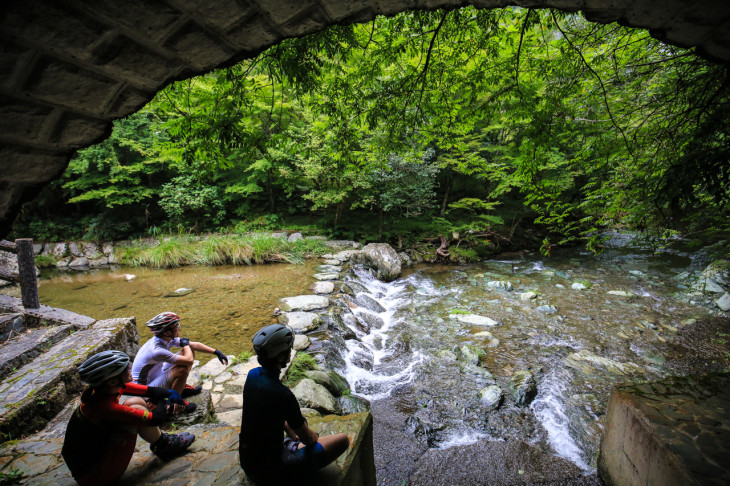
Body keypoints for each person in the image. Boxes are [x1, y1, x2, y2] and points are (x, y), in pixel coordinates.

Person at [61, 350, 195, 486]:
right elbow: (157, 419)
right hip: (95, 477)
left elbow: (148, 390)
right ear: (113, 381)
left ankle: (161, 443)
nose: (130, 368)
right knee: (136, 411)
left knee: (134, 401)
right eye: (126, 369)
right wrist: (162, 401)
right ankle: (164, 445)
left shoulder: (102, 390)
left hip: (91, 461)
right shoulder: (104, 406)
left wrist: (169, 392)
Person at [239, 324, 350, 485]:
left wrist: (292, 433)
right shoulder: (283, 394)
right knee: (342, 439)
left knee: (294, 439)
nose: (290, 352)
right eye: (288, 350)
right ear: (279, 357)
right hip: (273, 471)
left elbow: (270, 414)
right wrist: (311, 435)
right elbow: (309, 439)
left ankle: (291, 446)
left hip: (248, 462)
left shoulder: (252, 375)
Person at [132, 312, 229, 413]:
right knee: (181, 369)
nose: (179, 327)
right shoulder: (157, 351)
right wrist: (186, 345)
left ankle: (180, 387)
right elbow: (189, 360)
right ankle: (175, 403)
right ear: (168, 332)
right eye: (176, 326)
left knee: (188, 351)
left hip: (154, 375)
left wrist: (216, 352)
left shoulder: (164, 338)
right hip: (144, 389)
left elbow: (193, 345)